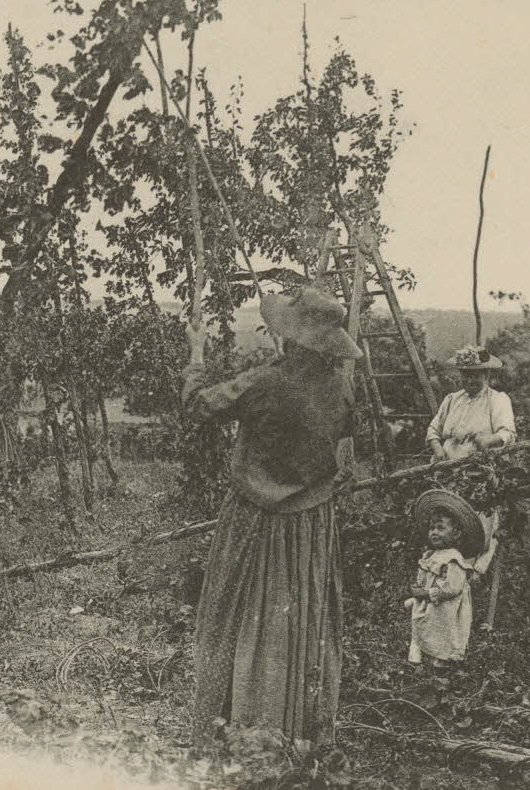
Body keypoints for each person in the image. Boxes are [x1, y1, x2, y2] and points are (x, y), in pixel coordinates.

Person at [184, 287, 359, 751]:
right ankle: (299, 729)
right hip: (311, 525)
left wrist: (197, 353)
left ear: (292, 340)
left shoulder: (263, 381)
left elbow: (198, 406)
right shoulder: (339, 386)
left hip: (253, 519)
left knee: (234, 613)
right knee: (302, 619)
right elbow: (345, 431)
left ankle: (230, 725)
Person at [424, 345, 516, 628]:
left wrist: (485, 442)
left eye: (477, 375)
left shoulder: (497, 400)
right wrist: (438, 450)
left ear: (487, 375)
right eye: (466, 375)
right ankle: (442, 599)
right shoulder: (452, 400)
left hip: (478, 477)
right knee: (446, 532)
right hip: (448, 478)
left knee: (478, 533)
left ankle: (469, 598)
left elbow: (507, 434)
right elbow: (433, 430)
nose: (471, 381)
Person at [405, 490, 487, 671]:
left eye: (441, 528)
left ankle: (441, 665)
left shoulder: (453, 558)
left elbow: (453, 587)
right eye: (432, 528)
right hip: (429, 604)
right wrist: (417, 588)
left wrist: (427, 593)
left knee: (442, 632)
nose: (434, 532)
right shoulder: (431, 554)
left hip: (445, 606)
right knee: (424, 625)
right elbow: (424, 576)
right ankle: (420, 660)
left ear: (457, 533)